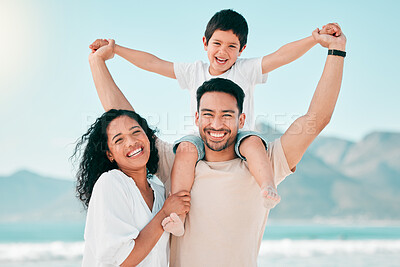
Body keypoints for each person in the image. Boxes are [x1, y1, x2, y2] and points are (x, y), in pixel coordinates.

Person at [88, 22, 346, 266]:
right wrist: (97, 62)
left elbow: (316, 119)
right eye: (209, 115)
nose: (217, 124)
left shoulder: (265, 163)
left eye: (227, 115)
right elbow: (124, 120)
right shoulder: (176, 163)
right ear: (197, 117)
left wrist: (336, 51)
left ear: (241, 119)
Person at [72, 109, 191, 266]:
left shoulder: (160, 191)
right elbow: (123, 260)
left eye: (136, 132)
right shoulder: (110, 182)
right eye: (119, 140)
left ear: (147, 137)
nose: (131, 142)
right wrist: (164, 213)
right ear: (110, 154)